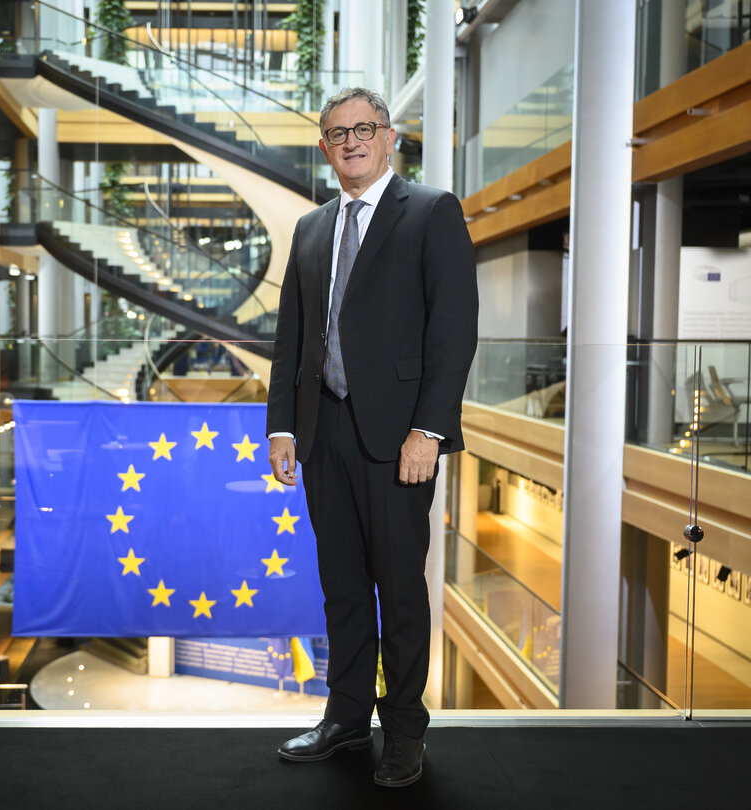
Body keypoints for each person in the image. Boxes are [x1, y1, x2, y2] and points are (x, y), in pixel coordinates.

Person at [265, 87, 478, 788]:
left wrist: (430, 430)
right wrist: (283, 427)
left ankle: (405, 731)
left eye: (364, 128)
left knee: (401, 593)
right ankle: (347, 718)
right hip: (324, 435)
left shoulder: (432, 212)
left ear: (390, 138)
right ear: (324, 148)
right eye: (336, 133)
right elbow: (292, 338)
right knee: (343, 589)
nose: (351, 140)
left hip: (398, 444)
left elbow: (452, 333)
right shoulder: (311, 228)